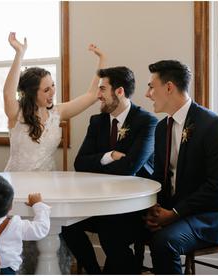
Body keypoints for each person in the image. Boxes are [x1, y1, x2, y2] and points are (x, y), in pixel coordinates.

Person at [96, 60, 218, 274]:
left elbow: (216, 186)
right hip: (169, 210)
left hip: (206, 216)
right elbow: (158, 177)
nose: (147, 94)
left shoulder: (212, 125)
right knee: (111, 229)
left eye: (151, 87)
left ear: (169, 87)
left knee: (164, 243)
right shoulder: (162, 128)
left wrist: (174, 213)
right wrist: (152, 210)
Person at [63, 63, 157, 273]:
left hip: (133, 207)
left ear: (120, 91)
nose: (98, 95)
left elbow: (129, 169)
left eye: (102, 89)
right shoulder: (97, 122)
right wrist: (110, 156)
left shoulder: (147, 122)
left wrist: (98, 165)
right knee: (66, 224)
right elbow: (80, 163)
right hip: (98, 202)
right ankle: (94, 271)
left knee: (110, 233)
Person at [2, 33, 101, 171]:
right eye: (46, 89)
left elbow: (92, 95)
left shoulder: (57, 112)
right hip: (17, 182)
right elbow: (8, 94)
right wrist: (19, 53)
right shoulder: (16, 113)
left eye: (53, 85)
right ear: (32, 93)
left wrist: (101, 59)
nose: (53, 92)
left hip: (48, 183)